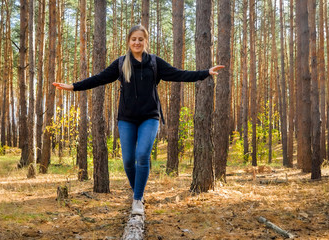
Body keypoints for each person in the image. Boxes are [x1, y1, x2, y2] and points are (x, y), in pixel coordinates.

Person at [53, 25, 224, 216]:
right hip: (126, 119)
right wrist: (73, 87)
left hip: (150, 117)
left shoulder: (154, 63)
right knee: (127, 162)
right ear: (128, 41)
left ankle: (137, 200)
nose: (137, 42)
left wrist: (205, 72)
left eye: (140, 39)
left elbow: (179, 74)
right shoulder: (120, 64)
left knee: (142, 156)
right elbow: (99, 79)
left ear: (145, 41)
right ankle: (139, 193)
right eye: (134, 39)